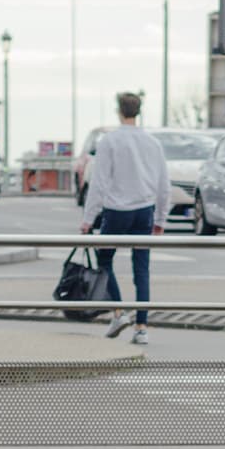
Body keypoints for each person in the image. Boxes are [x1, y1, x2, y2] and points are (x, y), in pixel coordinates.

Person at [80, 88, 166, 342]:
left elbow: (99, 182)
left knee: (104, 260)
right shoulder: (153, 143)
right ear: (137, 112)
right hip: (144, 210)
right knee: (142, 269)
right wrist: (160, 218)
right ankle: (142, 328)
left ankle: (118, 312)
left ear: (119, 112)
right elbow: (163, 183)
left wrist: (88, 218)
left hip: (117, 210)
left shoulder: (109, 141)